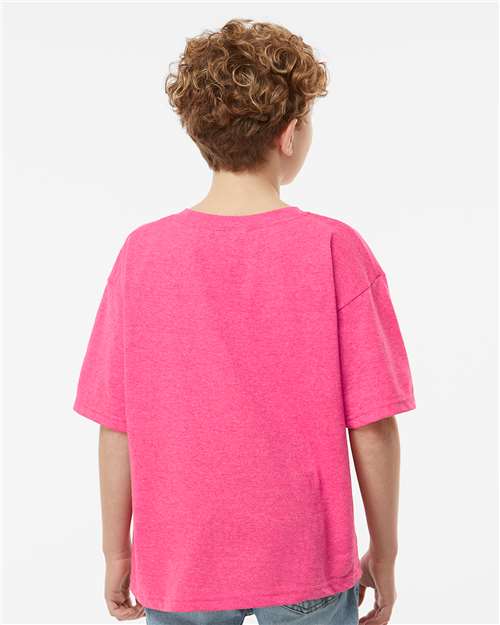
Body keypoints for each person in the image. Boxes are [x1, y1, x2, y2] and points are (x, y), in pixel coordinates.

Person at [73, 17, 416, 625]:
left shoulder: (142, 255)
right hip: (306, 559)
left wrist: (116, 552)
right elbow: (373, 426)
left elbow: (115, 427)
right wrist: (384, 556)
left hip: (181, 564)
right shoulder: (334, 248)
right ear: (288, 135)